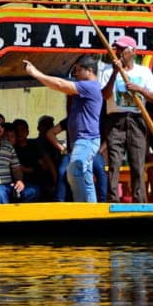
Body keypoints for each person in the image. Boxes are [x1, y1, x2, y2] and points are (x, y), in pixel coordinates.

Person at [24, 55, 103, 203]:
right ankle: (91, 209)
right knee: (86, 178)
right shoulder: (84, 88)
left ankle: (81, 208)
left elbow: (60, 84)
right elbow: (59, 85)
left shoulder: (90, 86)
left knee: (73, 172)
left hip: (86, 140)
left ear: (89, 70)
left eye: (78, 70)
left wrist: (36, 73)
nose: (75, 74)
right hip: (82, 141)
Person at [100, 36, 153, 203]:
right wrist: (115, 72)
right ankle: (113, 199)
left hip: (136, 119)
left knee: (137, 162)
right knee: (114, 161)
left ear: (133, 52)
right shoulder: (107, 71)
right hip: (115, 120)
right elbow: (105, 95)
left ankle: (139, 200)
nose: (118, 52)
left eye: (122, 49)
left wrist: (139, 89)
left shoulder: (143, 72)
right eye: (117, 49)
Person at [13, 118, 56, 200]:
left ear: (27, 132)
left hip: (37, 182)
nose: (19, 133)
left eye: (22, 130)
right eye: (17, 130)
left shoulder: (35, 145)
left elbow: (48, 163)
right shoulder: (11, 148)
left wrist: (55, 182)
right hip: (18, 183)